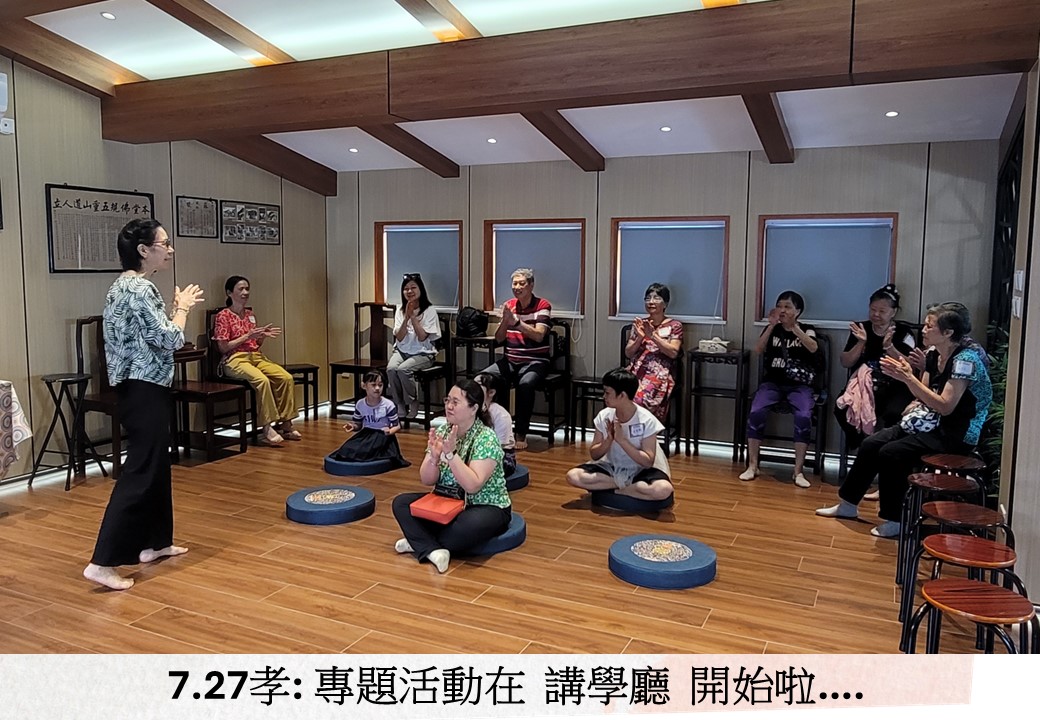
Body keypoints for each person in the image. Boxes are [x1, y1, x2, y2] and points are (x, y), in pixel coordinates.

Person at [83, 219, 204, 591]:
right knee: (140, 469)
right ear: (143, 250)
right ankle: (102, 562)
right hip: (143, 387)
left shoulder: (122, 286)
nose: (170, 250)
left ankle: (156, 541)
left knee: (156, 465)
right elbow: (170, 339)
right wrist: (182, 308)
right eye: (164, 243)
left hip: (139, 386)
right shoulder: (140, 287)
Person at [816, 302, 992, 537]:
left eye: (929, 326)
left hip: (957, 431)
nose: (924, 330)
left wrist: (909, 379)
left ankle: (895, 519)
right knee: (872, 443)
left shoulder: (965, 360)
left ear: (948, 332)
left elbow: (945, 406)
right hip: (929, 420)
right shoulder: (933, 354)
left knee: (892, 453)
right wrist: (912, 392)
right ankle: (848, 504)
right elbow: (925, 392)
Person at [391, 380, 511, 573]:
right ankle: (432, 548)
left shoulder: (486, 437)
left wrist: (451, 455)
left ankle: (420, 542)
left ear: (474, 408)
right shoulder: (443, 430)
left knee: (463, 528)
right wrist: (434, 458)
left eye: (456, 402)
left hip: (483, 505)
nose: (449, 406)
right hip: (447, 501)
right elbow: (427, 480)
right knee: (401, 504)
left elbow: (473, 486)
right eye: (447, 400)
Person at [740, 290, 819, 488]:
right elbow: (758, 350)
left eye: (787, 307)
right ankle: (753, 466)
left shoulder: (807, 329)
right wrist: (770, 326)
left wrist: (794, 329)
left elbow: (813, 347)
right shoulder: (773, 329)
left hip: (799, 385)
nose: (782, 310)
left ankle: (798, 471)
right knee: (756, 411)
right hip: (773, 383)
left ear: (798, 311)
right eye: (779, 306)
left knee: (803, 416)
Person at [213, 276, 299, 445]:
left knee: (285, 377)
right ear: (229, 293)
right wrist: (247, 336)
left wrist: (261, 337)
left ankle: (286, 422)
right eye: (241, 289)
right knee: (262, 380)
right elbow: (223, 347)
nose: (245, 292)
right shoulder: (223, 316)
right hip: (234, 359)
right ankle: (267, 427)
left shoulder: (250, 315)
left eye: (247, 289)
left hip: (255, 356)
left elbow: (255, 344)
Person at [564, 368, 674, 501]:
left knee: (663, 489)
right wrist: (608, 440)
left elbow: (647, 462)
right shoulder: (604, 416)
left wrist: (622, 441)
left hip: (640, 471)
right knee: (573, 476)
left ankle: (617, 490)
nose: (604, 397)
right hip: (612, 468)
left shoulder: (646, 420)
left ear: (622, 395)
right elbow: (594, 455)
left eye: (607, 393)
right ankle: (626, 487)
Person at [481, 268, 552, 451]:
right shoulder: (510, 305)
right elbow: (499, 339)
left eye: (522, 283)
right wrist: (505, 321)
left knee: (525, 384)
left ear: (531, 285)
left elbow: (539, 336)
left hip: (536, 361)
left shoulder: (542, 305)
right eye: (514, 283)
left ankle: (521, 433)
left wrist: (516, 322)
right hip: (511, 360)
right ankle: (496, 426)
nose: (517, 287)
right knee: (484, 378)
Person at [836, 284, 917, 443]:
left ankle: (885, 449)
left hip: (895, 384)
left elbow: (912, 366)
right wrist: (861, 343)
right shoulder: (861, 329)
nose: (876, 314)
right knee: (842, 407)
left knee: (895, 412)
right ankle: (861, 446)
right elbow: (845, 362)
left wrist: (889, 347)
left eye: (882, 311)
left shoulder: (903, 332)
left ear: (893, 312)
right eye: (873, 309)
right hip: (864, 383)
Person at [625, 282, 683, 422]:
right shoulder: (640, 324)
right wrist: (640, 337)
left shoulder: (675, 325)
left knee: (639, 400)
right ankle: (621, 431)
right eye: (647, 298)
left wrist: (653, 336)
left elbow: (673, 352)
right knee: (619, 395)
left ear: (665, 303)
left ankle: (643, 431)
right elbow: (628, 353)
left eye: (656, 298)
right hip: (636, 370)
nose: (651, 302)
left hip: (660, 372)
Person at [386, 273, 441, 420]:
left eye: (413, 288)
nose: (409, 291)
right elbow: (399, 337)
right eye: (406, 289)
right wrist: (406, 317)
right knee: (391, 369)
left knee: (403, 369)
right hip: (402, 351)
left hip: (423, 353)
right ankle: (399, 404)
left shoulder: (429, 310)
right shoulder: (400, 309)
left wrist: (413, 317)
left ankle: (412, 401)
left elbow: (422, 337)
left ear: (420, 289)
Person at [332, 369, 408, 467]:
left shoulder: (388, 405)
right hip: (367, 433)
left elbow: (397, 426)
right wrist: (353, 426)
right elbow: (358, 424)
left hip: (382, 435)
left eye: (380, 385)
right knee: (347, 449)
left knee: (366, 452)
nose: (377, 388)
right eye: (373, 385)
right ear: (364, 386)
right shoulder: (360, 404)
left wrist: (389, 431)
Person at [474, 372, 517, 477]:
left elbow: (498, 447)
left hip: (499, 454)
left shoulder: (501, 415)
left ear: (491, 392)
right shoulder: (469, 408)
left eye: (478, 385)